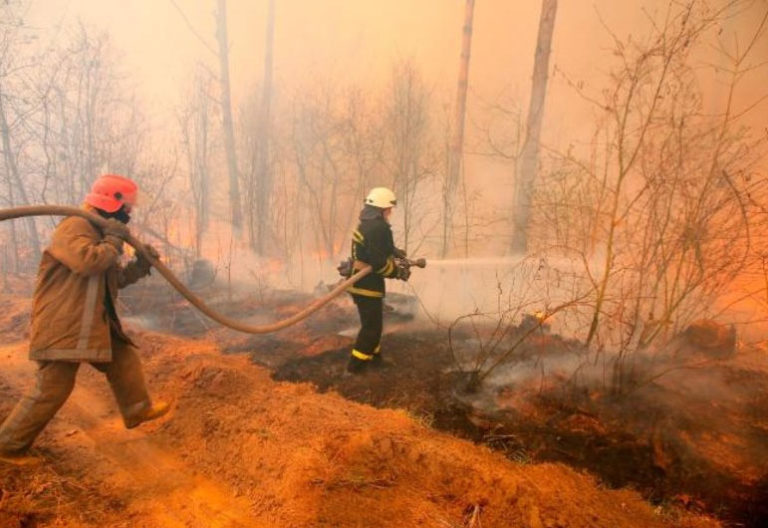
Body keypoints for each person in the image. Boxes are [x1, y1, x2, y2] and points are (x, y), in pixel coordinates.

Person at [0, 174, 169, 465]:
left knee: (123, 356)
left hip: (90, 323)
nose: (130, 213)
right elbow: (89, 262)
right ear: (112, 201)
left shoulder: (99, 232)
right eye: (127, 206)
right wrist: (115, 240)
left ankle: (137, 408)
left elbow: (110, 278)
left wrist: (141, 266)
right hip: (64, 323)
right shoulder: (74, 226)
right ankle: (8, 445)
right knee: (53, 386)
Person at [345, 187, 410, 374]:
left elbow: (375, 248)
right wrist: (398, 272)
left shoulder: (367, 225)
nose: (390, 213)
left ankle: (375, 360)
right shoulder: (379, 227)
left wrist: (394, 251)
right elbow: (379, 263)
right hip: (367, 285)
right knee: (371, 329)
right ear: (381, 209)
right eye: (389, 209)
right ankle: (355, 369)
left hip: (361, 283)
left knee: (373, 325)